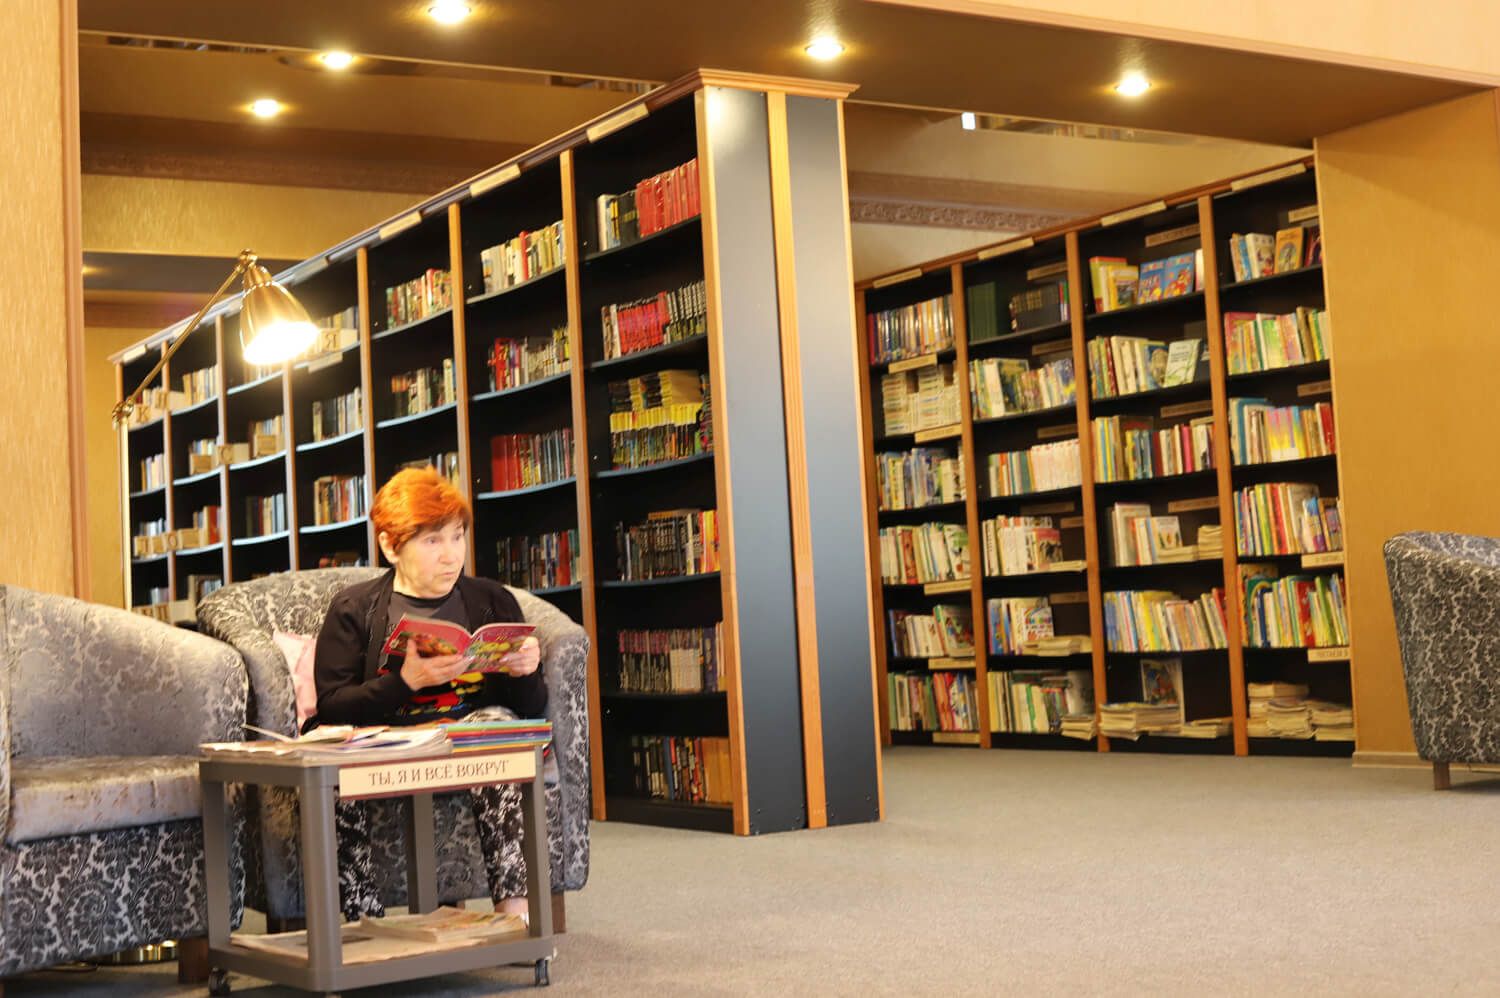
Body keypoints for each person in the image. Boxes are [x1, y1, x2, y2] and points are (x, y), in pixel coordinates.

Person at [313, 466, 544, 921]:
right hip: (387, 741)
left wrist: (525, 672)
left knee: (496, 728)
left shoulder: (492, 600)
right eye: (432, 540)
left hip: (464, 738)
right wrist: (406, 682)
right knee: (331, 762)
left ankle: (514, 912)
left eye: (457, 537)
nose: (450, 555)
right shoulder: (354, 609)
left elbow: (532, 709)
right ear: (390, 546)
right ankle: (364, 923)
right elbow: (332, 705)